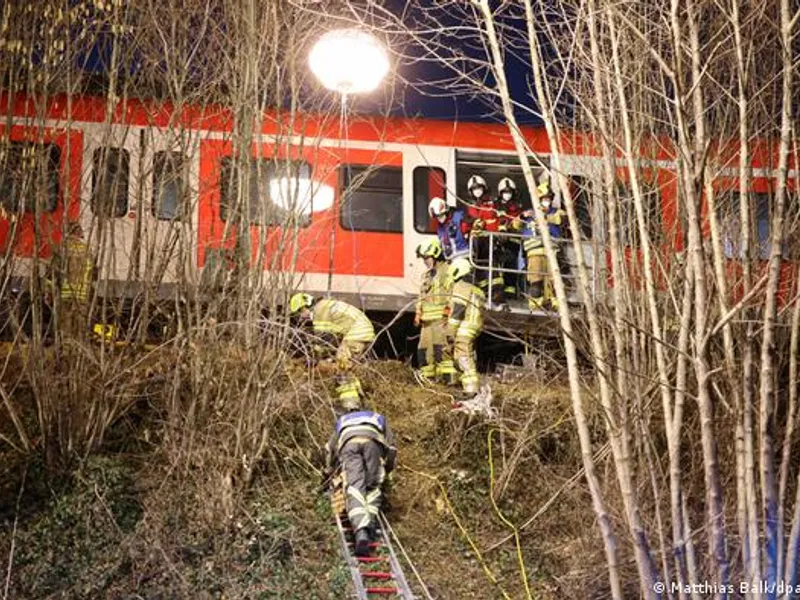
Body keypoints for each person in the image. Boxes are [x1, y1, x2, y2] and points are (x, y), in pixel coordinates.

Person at [324, 405, 397, 556]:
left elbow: (329, 448)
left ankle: (361, 531)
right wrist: (387, 468)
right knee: (372, 484)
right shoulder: (376, 417)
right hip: (372, 443)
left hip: (349, 445)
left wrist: (329, 470)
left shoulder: (342, 420)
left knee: (355, 486)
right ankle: (369, 524)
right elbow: (392, 448)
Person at [289, 293, 375, 404]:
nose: (301, 318)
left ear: (304, 307)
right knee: (348, 367)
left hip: (357, 332)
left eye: (299, 313)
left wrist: (315, 358)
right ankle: (360, 396)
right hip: (360, 331)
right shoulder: (324, 306)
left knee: (342, 366)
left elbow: (324, 339)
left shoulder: (320, 311)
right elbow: (333, 338)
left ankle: (351, 404)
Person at [414, 239, 457, 385]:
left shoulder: (448, 272)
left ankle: (448, 383)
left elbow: (453, 296)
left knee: (442, 351)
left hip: (441, 320)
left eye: (427, 258)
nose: (425, 261)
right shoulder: (426, 276)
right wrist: (418, 312)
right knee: (424, 351)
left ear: (436, 255)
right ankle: (428, 382)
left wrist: (447, 315)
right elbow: (422, 296)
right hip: (427, 322)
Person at [521, 181, 567, 311]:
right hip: (533, 252)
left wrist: (544, 217)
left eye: (548, 198)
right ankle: (535, 305)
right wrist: (522, 216)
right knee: (535, 278)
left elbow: (562, 220)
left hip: (552, 251)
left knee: (555, 279)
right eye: (544, 199)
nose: (547, 201)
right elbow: (515, 225)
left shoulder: (557, 212)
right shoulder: (530, 213)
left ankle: (557, 304)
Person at [466, 175, 505, 309]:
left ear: (484, 188)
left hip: (491, 240)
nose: (477, 191)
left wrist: (501, 230)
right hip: (478, 242)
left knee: (494, 271)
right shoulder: (471, 206)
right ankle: (483, 297)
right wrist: (475, 225)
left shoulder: (493, 203)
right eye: (474, 189)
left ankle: (497, 298)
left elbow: (500, 219)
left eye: (479, 188)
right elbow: (470, 221)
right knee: (479, 271)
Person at [446, 257, 484, 395]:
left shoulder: (461, 286)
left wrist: (449, 332)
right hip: (474, 324)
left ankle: (471, 389)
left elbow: (458, 310)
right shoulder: (476, 288)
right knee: (462, 355)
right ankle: (464, 384)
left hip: (465, 326)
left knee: (463, 355)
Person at [53, 221, 95, 339]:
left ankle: (65, 350)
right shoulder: (87, 250)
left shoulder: (62, 248)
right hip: (82, 295)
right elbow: (92, 273)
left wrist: (49, 291)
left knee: (65, 328)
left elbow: (53, 273)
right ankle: (78, 351)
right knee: (80, 328)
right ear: (79, 233)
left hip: (65, 295)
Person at [495, 177, 524, 299]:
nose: (507, 195)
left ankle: (510, 292)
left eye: (509, 192)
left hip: (513, 242)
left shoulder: (518, 208)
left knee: (511, 265)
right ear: (500, 193)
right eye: (505, 192)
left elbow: (521, 225)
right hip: (497, 241)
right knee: (495, 265)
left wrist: (513, 228)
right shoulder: (494, 206)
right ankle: (497, 291)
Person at [428, 196, 470, 260]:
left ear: (446, 211)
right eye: (437, 217)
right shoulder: (440, 227)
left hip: (464, 257)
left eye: (440, 215)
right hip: (450, 259)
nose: (439, 218)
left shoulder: (460, 218)